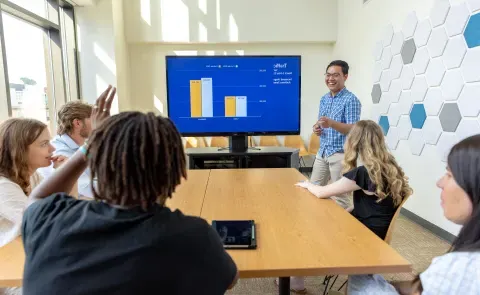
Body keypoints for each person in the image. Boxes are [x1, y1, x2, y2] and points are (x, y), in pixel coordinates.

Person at [22, 86, 239, 295]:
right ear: (174, 172)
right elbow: (231, 279)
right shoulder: (195, 237)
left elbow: (39, 198)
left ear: (99, 163)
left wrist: (91, 144)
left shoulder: (49, 220)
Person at [347, 134, 480, 295]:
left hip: (369, 238)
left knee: (359, 275)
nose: (440, 183)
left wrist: (361, 277)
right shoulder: (391, 167)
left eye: (450, 175)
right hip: (377, 239)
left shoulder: (461, 270)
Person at [297, 120, 412, 240]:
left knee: (316, 228)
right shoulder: (389, 167)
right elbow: (370, 203)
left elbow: (321, 192)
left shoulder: (364, 173)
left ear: (354, 142)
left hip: (365, 235)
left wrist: (307, 184)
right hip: (377, 230)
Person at [0, 118, 58, 247]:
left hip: (29, 247)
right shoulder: (3, 187)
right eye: (44, 144)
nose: (52, 148)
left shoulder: (33, 176)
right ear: (19, 150)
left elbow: (61, 208)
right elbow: (44, 223)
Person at [312, 60, 361, 210]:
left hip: (340, 155)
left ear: (345, 77)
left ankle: (344, 231)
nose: (331, 78)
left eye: (336, 75)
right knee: (313, 190)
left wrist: (331, 123)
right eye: (328, 75)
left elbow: (354, 130)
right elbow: (322, 122)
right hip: (323, 152)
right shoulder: (324, 99)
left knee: (340, 198)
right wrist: (317, 128)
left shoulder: (351, 100)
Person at [39, 101, 94, 198]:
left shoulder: (83, 146)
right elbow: (86, 187)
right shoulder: (59, 152)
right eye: (94, 120)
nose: (99, 124)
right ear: (77, 123)